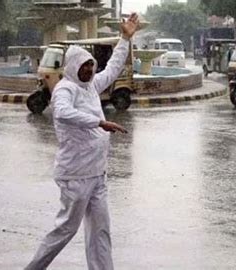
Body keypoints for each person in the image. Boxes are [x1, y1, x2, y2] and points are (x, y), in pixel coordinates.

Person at [25, 13, 140, 270]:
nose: (89, 69)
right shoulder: (66, 89)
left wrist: (125, 38)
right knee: (66, 230)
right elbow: (63, 112)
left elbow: (112, 68)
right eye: (84, 66)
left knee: (101, 231)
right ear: (73, 67)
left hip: (97, 175)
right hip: (75, 176)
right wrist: (99, 122)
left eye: (90, 65)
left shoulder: (91, 86)